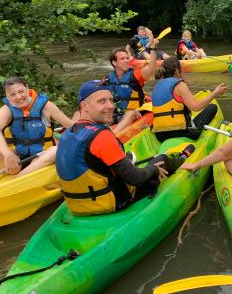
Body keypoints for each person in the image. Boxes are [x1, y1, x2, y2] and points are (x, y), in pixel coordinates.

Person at [56, 81, 194, 216]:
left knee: (125, 160)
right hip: (111, 202)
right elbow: (136, 179)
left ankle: (129, 160)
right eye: (102, 101)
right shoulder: (101, 136)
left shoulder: (68, 132)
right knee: (161, 159)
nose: (110, 106)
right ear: (84, 106)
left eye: (111, 100)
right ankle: (183, 157)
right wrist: (154, 169)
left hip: (77, 205)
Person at [0, 77, 74, 178]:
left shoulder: (46, 106)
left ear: (27, 88)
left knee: (55, 151)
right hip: (16, 160)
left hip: (41, 158)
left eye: (21, 91)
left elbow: (71, 126)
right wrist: (7, 154)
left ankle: (16, 180)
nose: (18, 97)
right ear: (7, 96)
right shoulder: (6, 110)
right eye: (12, 94)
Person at [151, 56, 226, 141]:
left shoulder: (157, 86)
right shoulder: (180, 85)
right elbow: (196, 107)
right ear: (177, 71)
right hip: (181, 132)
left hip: (160, 136)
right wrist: (215, 92)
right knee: (212, 107)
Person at [104, 29, 159, 134]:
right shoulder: (108, 79)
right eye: (122, 59)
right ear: (114, 63)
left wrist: (152, 48)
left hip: (135, 113)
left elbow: (151, 68)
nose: (127, 60)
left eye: (127, 58)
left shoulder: (135, 75)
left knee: (130, 113)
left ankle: (113, 135)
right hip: (116, 114)